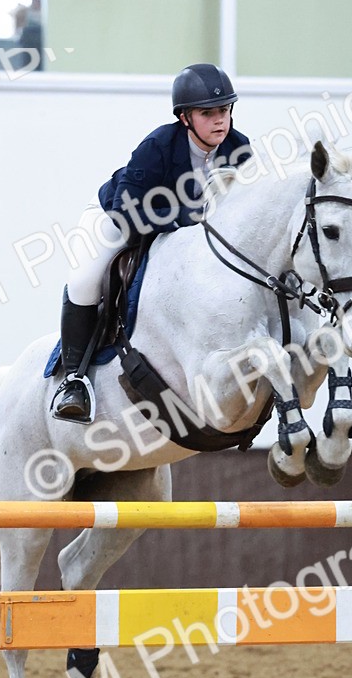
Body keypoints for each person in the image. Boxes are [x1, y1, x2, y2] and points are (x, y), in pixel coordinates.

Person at [51, 62, 252, 423]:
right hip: (116, 218)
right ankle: (74, 379)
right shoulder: (158, 145)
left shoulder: (239, 148)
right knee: (84, 281)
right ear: (186, 118)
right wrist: (185, 219)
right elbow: (124, 211)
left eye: (224, 110)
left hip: (183, 238)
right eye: (208, 113)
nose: (220, 120)